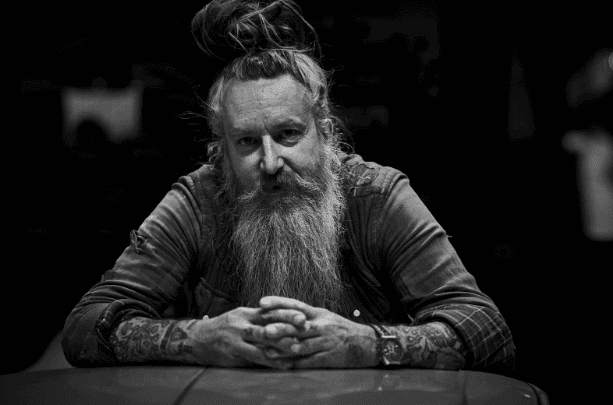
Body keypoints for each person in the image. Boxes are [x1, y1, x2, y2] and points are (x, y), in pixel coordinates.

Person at [62, 0, 515, 373]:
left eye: (288, 134)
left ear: (325, 130)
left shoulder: (377, 197)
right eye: (246, 142)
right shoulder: (198, 201)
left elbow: (487, 330)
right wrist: (195, 338)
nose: (271, 162)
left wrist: (369, 344)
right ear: (221, 147)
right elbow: (83, 327)